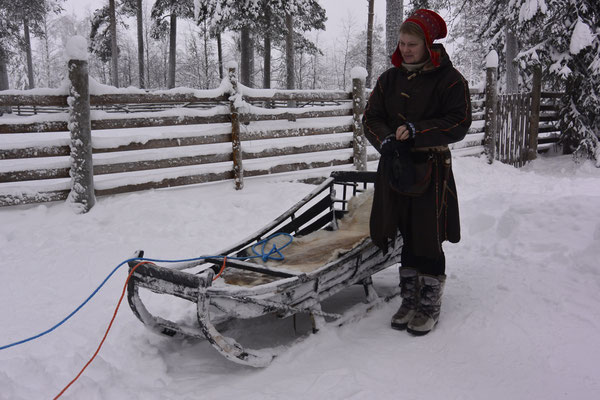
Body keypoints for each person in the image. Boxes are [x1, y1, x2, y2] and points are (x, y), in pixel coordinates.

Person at [363, 9, 471, 336]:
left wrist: (416, 130)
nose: (406, 49)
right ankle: (409, 299)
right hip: (395, 167)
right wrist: (385, 139)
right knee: (405, 232)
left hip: (431, 170)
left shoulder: (451, 80)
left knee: (428, 235)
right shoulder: (389, 79)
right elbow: (371, 117)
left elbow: (458, 122)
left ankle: (429, 304)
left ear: (427, 44)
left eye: (412, 44)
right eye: (402, 43)